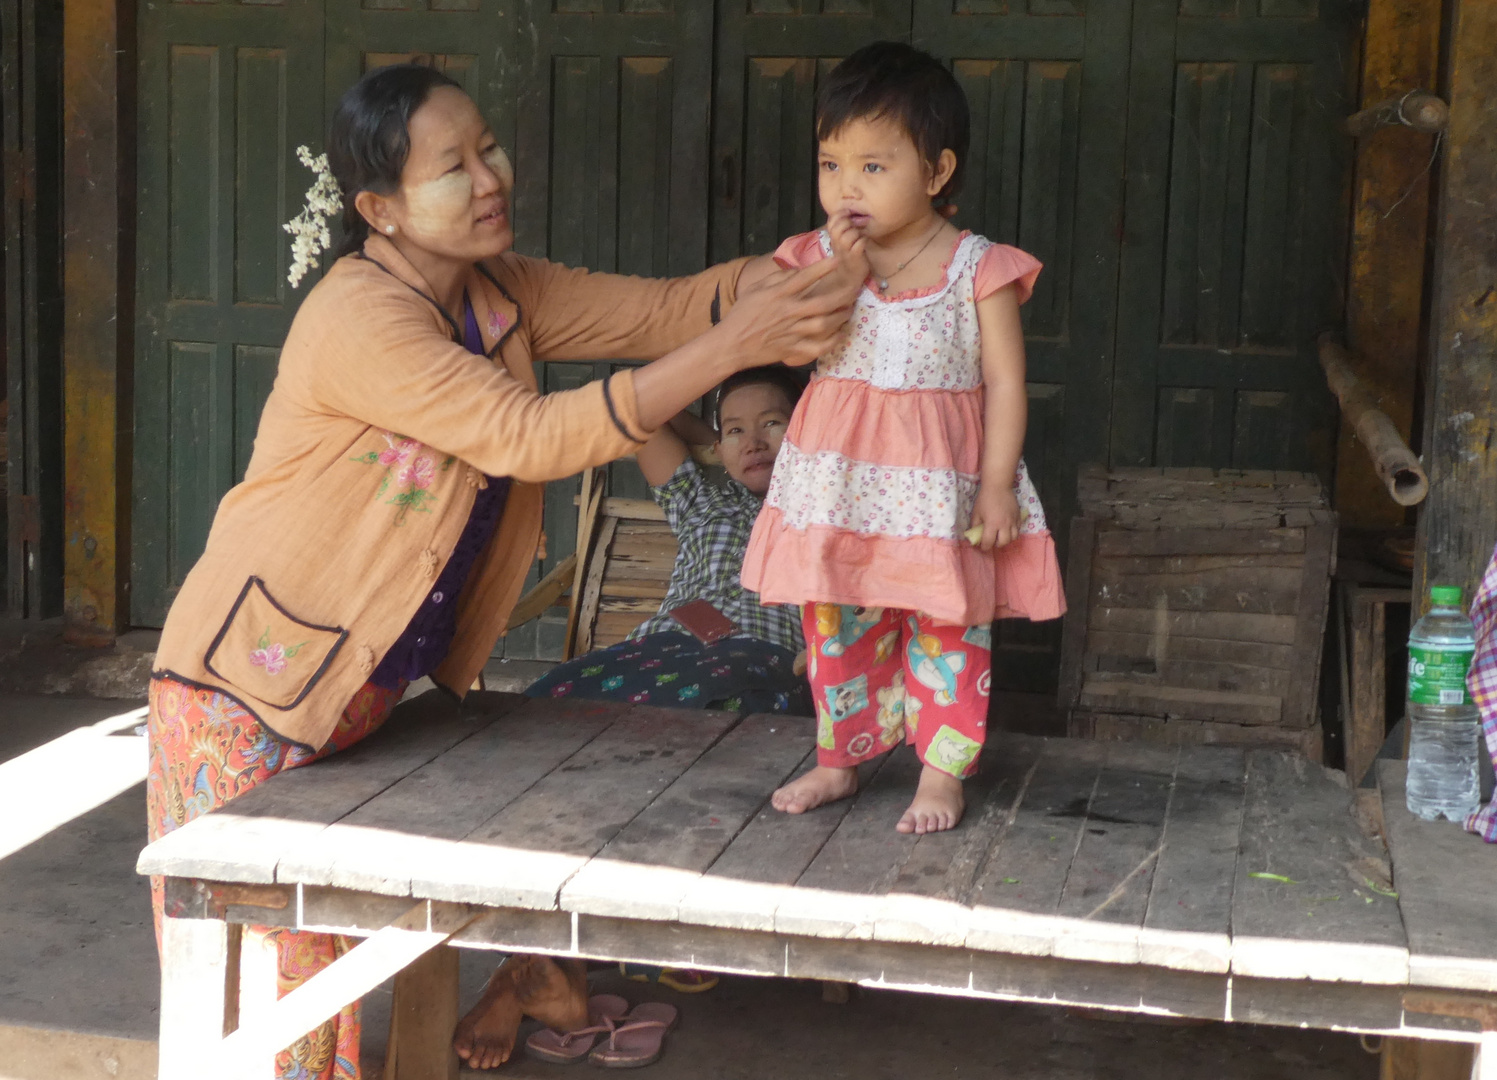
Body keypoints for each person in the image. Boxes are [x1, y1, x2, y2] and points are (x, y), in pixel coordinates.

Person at [144, 63, 865, 1080]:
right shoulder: (360, 317)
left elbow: (670, 309)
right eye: (454, 165)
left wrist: (792, 273)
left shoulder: (499, 297)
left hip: (356, 694)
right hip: (247, 692)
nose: (491, 176)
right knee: (269, 1006)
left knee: (326, 979)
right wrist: (735, 345)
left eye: (490, 147)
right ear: (379, 209)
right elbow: (526, 433)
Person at [741, 42, 1066, 837]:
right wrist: (841, 277)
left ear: (937, 169)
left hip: (937, 488)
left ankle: (941, 771)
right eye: (829, 163)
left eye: (872, 166)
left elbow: (1006, 385)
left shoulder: (976, 267)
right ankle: (837, 759)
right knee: (835, 623)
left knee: (947, 626)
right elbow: (790, 352)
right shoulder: (810, 258)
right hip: (839, 489)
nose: (844, 185)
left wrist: (995, 487)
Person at [525, 365, 809, 715]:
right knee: (545, 703)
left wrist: (733, 443)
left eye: (771, 423)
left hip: (763, 654)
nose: (754, 443)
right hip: (658, 648)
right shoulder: (698, 502)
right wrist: (719, 446)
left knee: (730, 705)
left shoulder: (828, 516)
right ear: (719, 448)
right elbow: (644, 413)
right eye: (736, 430)